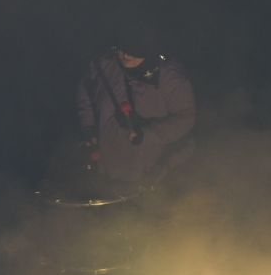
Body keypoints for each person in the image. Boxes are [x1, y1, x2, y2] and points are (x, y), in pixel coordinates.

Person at [76, 25, 197, 187]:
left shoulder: (169, 76)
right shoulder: (103, 65)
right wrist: (89, 127)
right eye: (122, 48)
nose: (125, 55)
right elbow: (85, 93)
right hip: (109, 171)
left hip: (152, 172)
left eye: (133, 49)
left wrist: (150, 134)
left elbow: (186, 118)